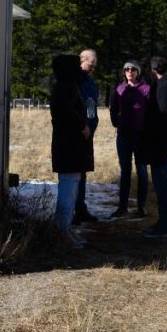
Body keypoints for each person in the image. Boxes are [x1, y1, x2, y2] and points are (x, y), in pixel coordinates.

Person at [50, 54, 93, 249]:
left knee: (72, 186)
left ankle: (65, 228)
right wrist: (82, 125)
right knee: (67, 189)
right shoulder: (64, 88)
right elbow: (68, 113)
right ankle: (61, 230)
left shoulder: (68, 86)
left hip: (71, 147)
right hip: (68, 147)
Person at [142, 55, 167, 238]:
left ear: (154, 69)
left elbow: (162, 114)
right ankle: (163, 221)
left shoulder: (164, 86)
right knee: (160, 183)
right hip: (160, 143)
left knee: (162, 184)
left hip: (161, 144)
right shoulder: (165, 84)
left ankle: (166, 224)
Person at [109, 59, 151, 219]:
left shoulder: (147, 89)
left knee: (141, 171)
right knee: (125, 171)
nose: (130, 72)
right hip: (123, 136)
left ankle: (141, 206)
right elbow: (113, 107)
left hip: (141, 136)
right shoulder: (119, 89)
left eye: (133, 69)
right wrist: (116, 122)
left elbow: (151, 112)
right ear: (124, 72)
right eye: (127, 69)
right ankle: (122, 207)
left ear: (138, 72)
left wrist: (146, 129)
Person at [73, 48, 99, 225]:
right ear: (82, 61)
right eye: (91, 62)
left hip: (88, 133)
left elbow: (92, 106)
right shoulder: (75, 81)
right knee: (74, 173)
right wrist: (82, 126)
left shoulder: (90, 82)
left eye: (95, 64)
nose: (93, 66)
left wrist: (91, 127)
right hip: (77, 133)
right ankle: (72, 211)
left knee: (82, 173)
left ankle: (81, 209)